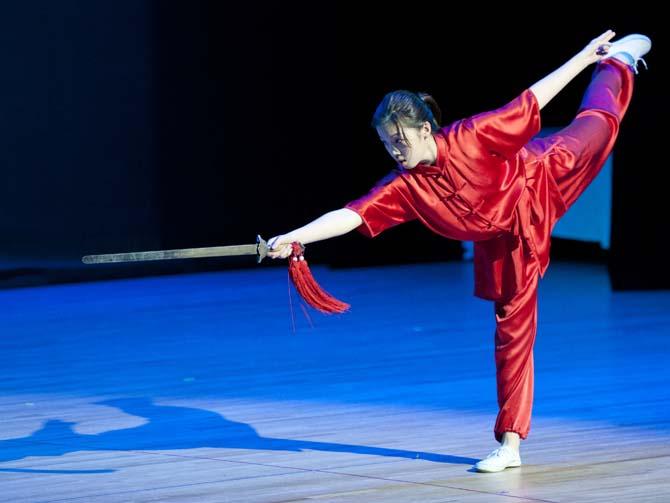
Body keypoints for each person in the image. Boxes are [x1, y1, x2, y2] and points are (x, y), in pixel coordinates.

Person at [266, 31, 651, 473]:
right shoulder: (406, 187)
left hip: (543, 177)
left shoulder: (473, 135)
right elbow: (354, 214)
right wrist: (295, 235)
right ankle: (510, 444)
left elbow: (532, 101)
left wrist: (585, 59)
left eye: (400, 141)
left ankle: (618, 63)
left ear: (425, 129)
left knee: (598, 123)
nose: (395, 151)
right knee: (512, 334)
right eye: (387, 144)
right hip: (506, 242)